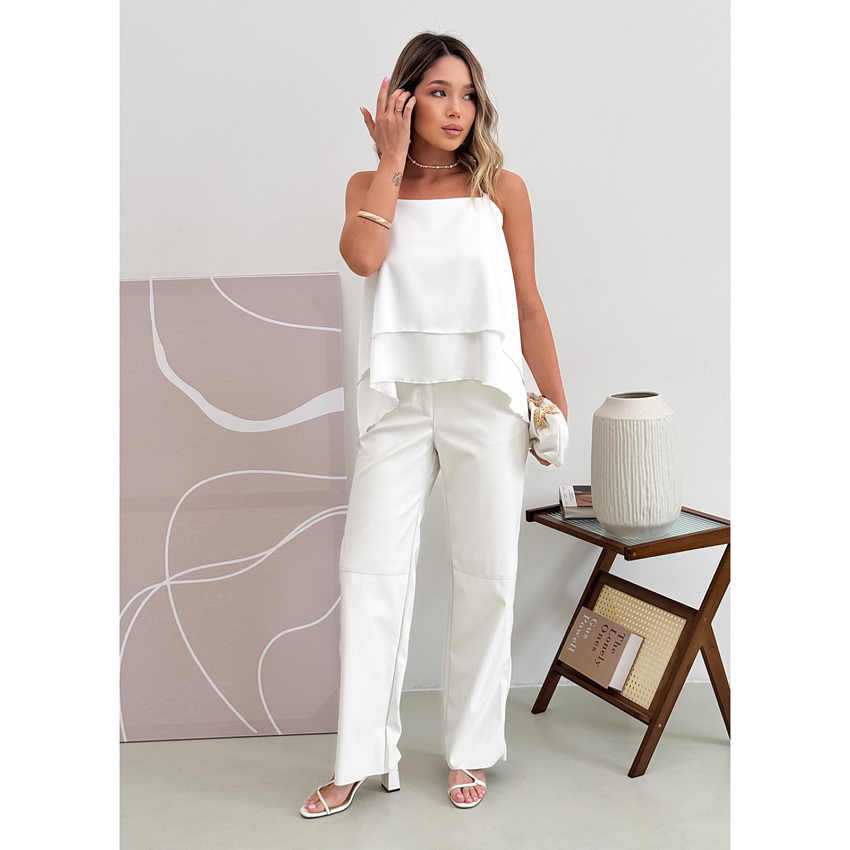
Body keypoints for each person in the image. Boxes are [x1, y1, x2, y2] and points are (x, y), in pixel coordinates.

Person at [302, 31, 568, 818]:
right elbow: (362, 257)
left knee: (488, 575)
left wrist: (553, 404)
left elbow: (528, 305)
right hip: (399, 404)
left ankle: (470, 748)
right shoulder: (368, 184)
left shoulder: (502, 190)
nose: (457, 109)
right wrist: (390, 159)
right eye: (440, 92)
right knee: (368, 573)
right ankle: (359, 758)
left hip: (486, 400)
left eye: (468, 94)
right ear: (403, 98)